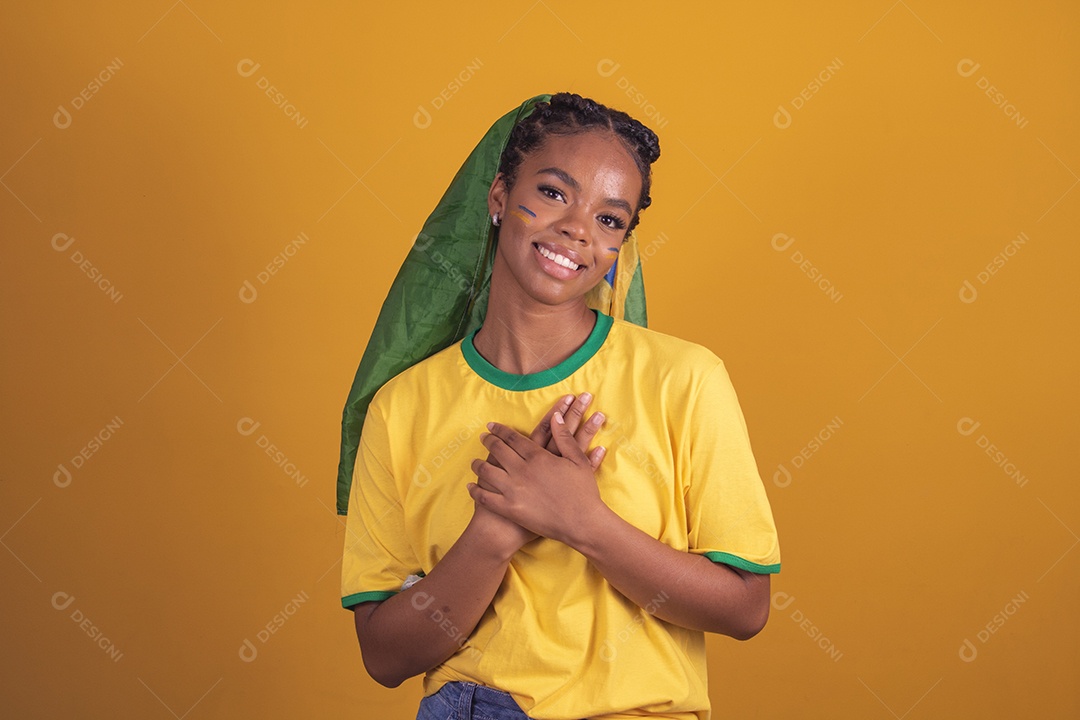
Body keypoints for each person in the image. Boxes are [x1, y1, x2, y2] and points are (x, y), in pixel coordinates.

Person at [340, 92, 780, 720]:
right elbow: (384, 656)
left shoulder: (686, 380)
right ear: (497, 197)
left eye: (609, 219)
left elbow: (745, 608)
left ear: (621, 243)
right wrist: (492, 536)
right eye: (553, 193)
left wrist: (582, 520)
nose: (577, 229)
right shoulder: (402, 407)